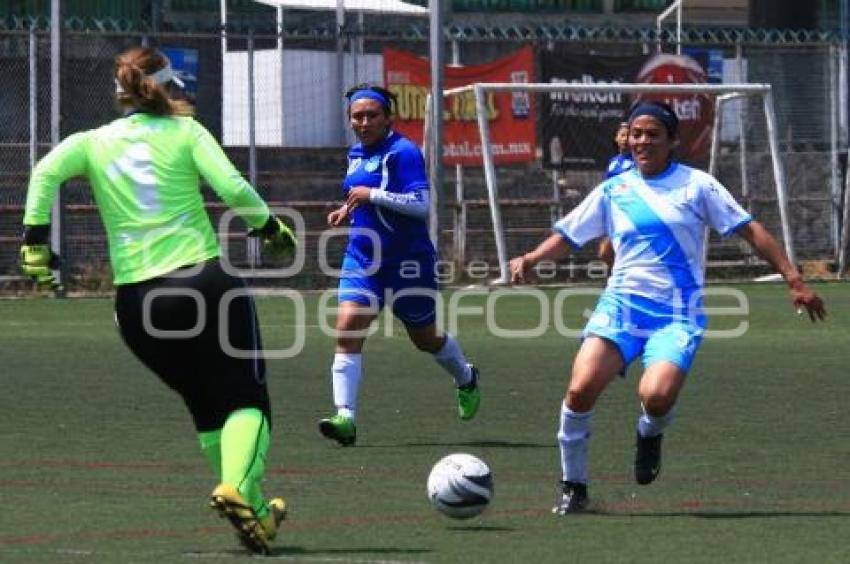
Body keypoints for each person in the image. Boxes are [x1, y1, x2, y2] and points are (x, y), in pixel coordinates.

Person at [20, 47, 297, 554]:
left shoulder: (92, 142)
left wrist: (35, 242)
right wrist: (270, 228)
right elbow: (232, 186)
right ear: (169, 86)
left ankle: (254, 512)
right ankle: (238, 488)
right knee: (247, 400)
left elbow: (44, 173)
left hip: (137, 306)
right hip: (200, 283)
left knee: (206, 403)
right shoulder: (186, 132)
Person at [508, 101, 826, 515]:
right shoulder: (614, 188)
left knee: (655, 396)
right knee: (580, 389)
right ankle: (574, 488)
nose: (643, 141)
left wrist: (794, 279)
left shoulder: (697, 186)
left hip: (677, 314)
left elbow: (751, 230)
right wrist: (531, 259)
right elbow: (569, 235)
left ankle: (650, 431)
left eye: (653, 134)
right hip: (621, 307)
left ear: (672, 140)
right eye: (637, 133)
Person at [318, 84, 480, 446]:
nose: (363, 122)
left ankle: (466, 376)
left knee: (425, 339)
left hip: (408, 264)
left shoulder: (404, 152)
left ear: (387, 117)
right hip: (363, 256)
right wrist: (348, 208)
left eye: (371, 115)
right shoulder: (356, 153)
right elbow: (361, 191)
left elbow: (421, 205)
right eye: (357, 116)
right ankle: (345, 417)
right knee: (347, 325)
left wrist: (370, 195)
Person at [598, 121, 634, 267]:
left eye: (629, 135)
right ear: (616, 138)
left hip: (630, 212)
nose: (625, 139)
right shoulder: (613, 162)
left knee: (607, 251)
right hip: (613, 213)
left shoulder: (636, 162)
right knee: (606, 253)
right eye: (622, 135)